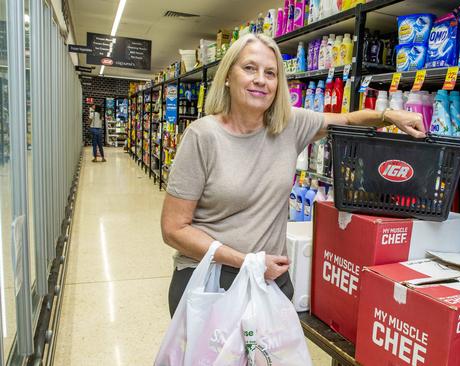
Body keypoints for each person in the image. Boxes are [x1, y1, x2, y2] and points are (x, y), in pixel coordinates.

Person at [161, 33, 425, 317]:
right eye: (249, 68)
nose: (261, 79)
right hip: (209, 281)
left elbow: (347, 120)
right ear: (227, 76)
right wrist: (246, 262)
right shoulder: (202, 136)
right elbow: (174, 229)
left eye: (270, 72)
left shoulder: (289, 125)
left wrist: (388, 116)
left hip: (269, 279)